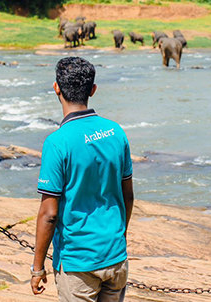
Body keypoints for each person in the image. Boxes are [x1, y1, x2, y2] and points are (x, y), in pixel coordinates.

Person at [31, 57, 135, 302]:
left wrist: (37, 268)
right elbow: (127, 195)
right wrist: (118, 235)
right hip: (115, 255)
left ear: (56, 88)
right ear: (93, 90)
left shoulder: (58, 142)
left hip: (79, 262)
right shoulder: (115, 131)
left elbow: (49, 213)